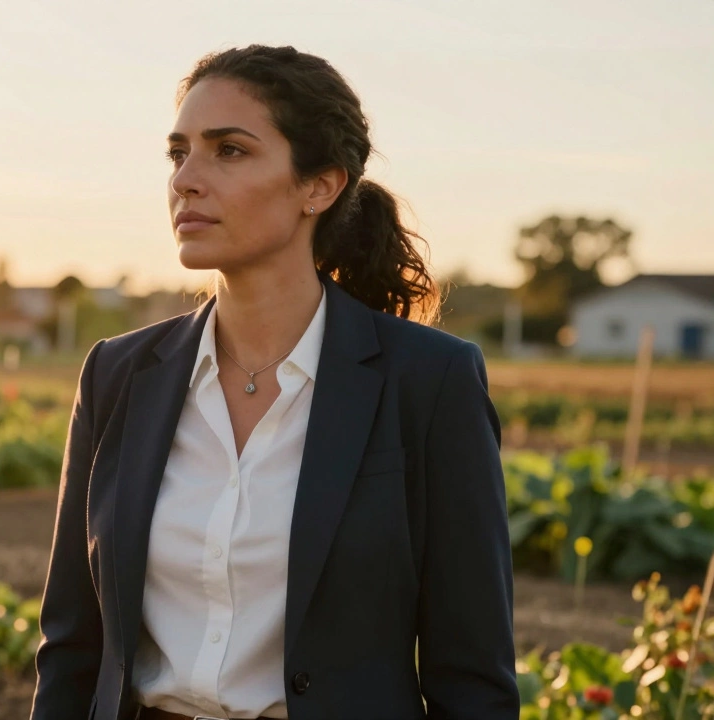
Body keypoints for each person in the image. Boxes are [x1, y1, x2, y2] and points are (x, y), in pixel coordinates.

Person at [28, 44, 519, 720]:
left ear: (320, 186)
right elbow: (72, 648)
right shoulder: (117, 375)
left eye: (228, 151)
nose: (186, 180)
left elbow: (473, 680)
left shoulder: (429, 382)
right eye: (179, 153)